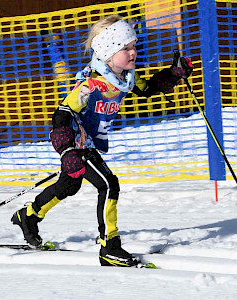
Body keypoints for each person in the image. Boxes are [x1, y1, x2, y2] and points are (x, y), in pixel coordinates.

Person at [11, 15, 193, 267]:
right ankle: (110, 247)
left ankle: (28, 216)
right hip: (76, 144)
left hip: (88, 143)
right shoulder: (92, 83)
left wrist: (174, 75)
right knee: (108, 184)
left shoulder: (125, 77)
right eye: (125, 48)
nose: (133, 52)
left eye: (134, 45)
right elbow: (62, 115)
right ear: (108, 53)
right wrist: (67, 152)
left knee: (68, 186)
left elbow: (147, 88)